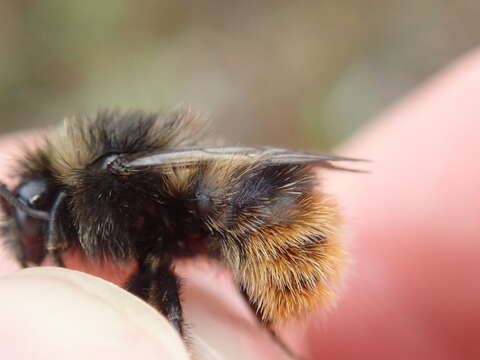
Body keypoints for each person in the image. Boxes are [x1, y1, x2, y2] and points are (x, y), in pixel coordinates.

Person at [1, 48, 479, 359]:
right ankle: (264, 338)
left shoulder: (110, 177)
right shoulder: (122, 187)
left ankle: (258, 338)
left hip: (272, 224)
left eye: (32, 217)